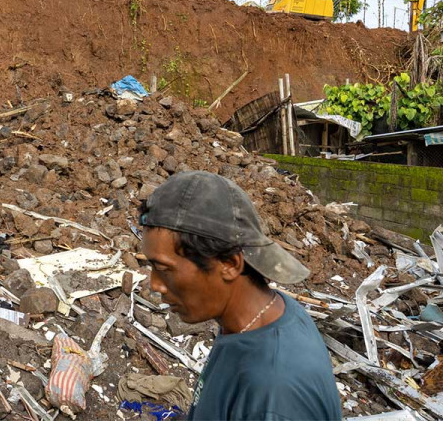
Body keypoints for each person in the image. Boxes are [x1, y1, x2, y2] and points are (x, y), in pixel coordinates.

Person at [139, 171, 342, 421]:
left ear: (230, 264)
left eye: (163, 268)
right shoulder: (259, 317)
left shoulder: (275, 394)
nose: (155, 285)